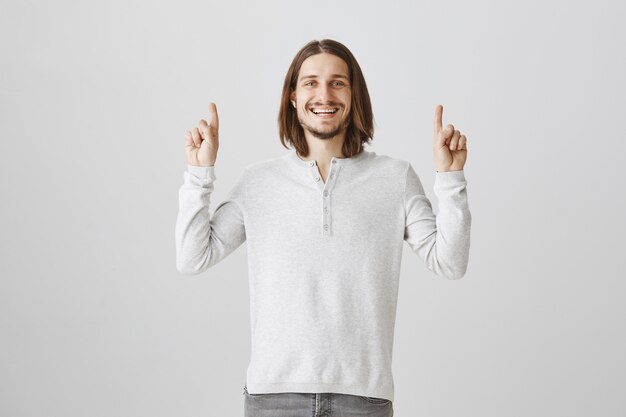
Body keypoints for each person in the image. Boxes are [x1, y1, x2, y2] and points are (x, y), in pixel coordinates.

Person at [175, 38, 471, 417]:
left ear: (354, 95)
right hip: (273, 397)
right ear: (293, 97)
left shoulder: (394, 178)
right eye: (311, 82)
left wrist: (450, 178)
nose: (324, 94)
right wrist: (200, 174)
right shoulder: (259, 181)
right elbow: (192, 257)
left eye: (337, 82)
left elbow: (450, 263)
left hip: (362, 398)